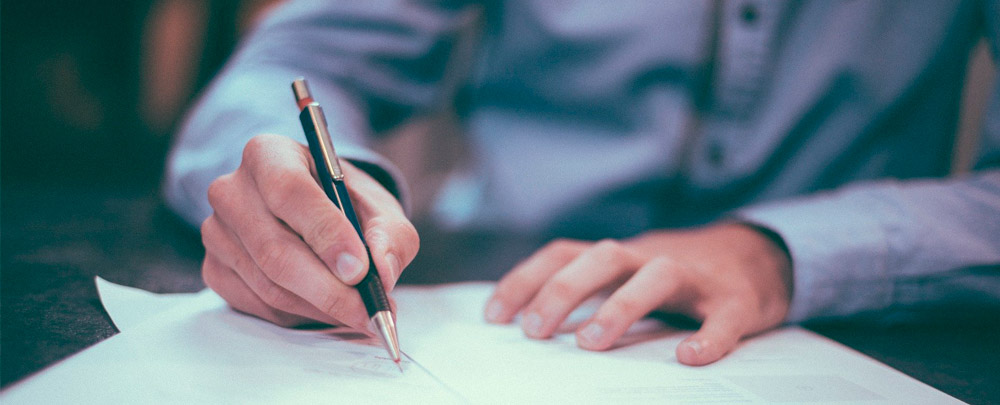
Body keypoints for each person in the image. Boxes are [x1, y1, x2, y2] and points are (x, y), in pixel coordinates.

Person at [164, 1, 1000, 366]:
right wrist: (311, 192)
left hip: (851, 327)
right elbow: (285, 69)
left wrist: (780, 253)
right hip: (494, 301)